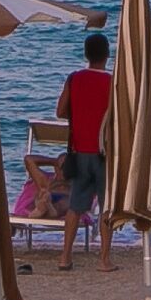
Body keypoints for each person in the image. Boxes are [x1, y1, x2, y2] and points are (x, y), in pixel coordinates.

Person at [57, 30, 114, 270]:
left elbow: (60, 111)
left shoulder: (74, 79)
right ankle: (104, 259)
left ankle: (65, 257)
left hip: (79, 152)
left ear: (86, 54)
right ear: (107, 55)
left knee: (76, 207)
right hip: (104, 153)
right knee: (106, 207)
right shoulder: (112, 82)